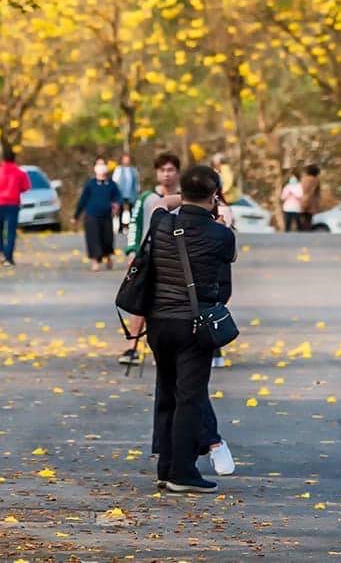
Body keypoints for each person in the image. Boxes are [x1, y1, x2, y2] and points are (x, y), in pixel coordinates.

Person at [140, 162, 237, 494]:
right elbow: (224, 289)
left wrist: (180, 198)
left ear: (183, 192)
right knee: (190, 397)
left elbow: (158, 204)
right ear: (214, 195)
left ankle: (165, 468)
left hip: (158, 323)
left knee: (167, 393)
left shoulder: (161, 222)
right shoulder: (221, 235)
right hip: (194, 325)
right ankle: (182, 472)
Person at [130, 150, 183, 253]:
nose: (166, 174)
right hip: (149, 250)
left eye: (170, 170)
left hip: (177, 251)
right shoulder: (146, 198)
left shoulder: (185, 198)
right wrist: (132, 250)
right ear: (156, 172)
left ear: (178, 172)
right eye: (162, 170)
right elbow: (135, 224)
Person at [74, 156, 122, 269]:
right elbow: (83, 200)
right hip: (92, 215)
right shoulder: (90, 184)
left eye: (103, 164)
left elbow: (118, 197)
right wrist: (76, 216)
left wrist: (116, 204)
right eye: (98, 164)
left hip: (106, 216)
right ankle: (95, 261)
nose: (101, 167)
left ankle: (109, 257)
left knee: (107, 239)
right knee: (93, 238)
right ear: (95, 167)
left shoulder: (111, 184)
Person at [0, 144, 30, 267]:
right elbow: (26, 187)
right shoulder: (19, 173)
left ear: (2, 159)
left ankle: (0, 252)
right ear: (14, 159)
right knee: (11, 231)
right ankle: (8, 256)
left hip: (0, 204)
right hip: (13, 204)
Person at [113, 151, 141, 233]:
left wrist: (137, 190)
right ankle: (120, 227)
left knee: (133, 210)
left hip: (131, 193)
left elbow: (136, 182)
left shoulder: (134, 170)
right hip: (121, 192)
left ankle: (132, 227)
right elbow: (115, 180)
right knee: (121, 209)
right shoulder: (119, 169)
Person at [300, 163, 323, 231]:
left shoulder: (303, 179)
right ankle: (307, 231)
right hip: (312, 200)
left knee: (302, 218)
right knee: (309, 218)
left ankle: (302, 230)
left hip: (303, 199)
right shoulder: (316, 180)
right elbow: (317, 191)